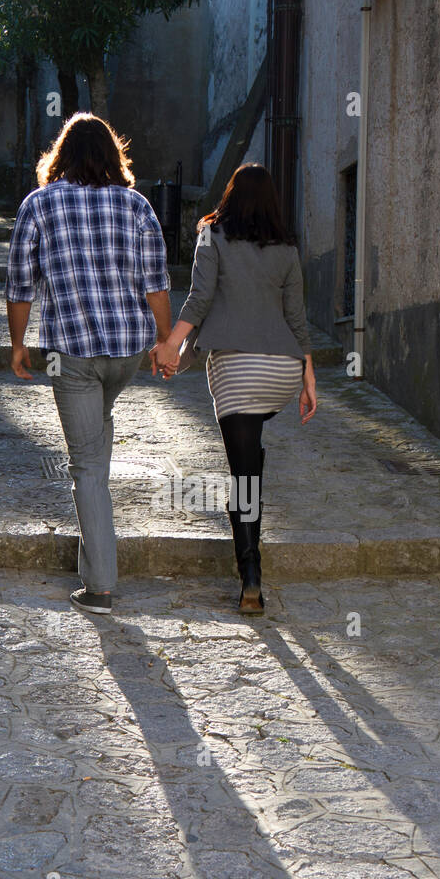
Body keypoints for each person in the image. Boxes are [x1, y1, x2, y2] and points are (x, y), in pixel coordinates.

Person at [5, 112, 172, 616]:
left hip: (67, 354)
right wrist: (165, 342)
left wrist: (17, 345)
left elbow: (19, 285)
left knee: (85, 467)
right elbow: (156, 284)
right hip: (127, 353)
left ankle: (100, 586)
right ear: (110, 156)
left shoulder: (39, 205)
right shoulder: (137, 205)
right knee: (95, 443)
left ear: (62, 156)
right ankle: (92, 562)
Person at [151, 163, 317, 614]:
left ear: (230, 196)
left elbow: (199, 297)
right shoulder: (286, 248)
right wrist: (308, 379)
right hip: (281, 370)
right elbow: (297, 319)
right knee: (249, 456)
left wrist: (169, 344)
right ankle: (251, 475)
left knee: (243, 477)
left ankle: (251, 577)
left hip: (238, 371)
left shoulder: (211, 234)